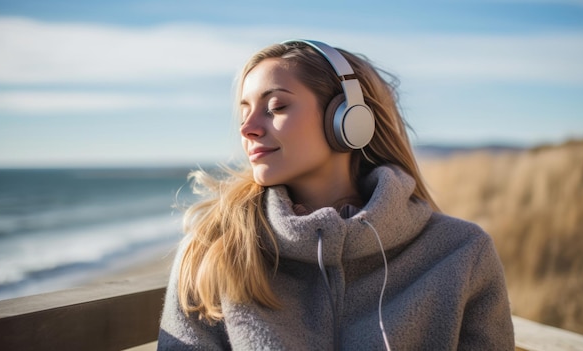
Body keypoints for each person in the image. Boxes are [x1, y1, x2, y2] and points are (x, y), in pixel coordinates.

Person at [158, 39, 514, 350]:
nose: (248, 129)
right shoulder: (212, 250)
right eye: (245, 112)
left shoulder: (461, 252)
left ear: (348, 119)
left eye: (277, 107)